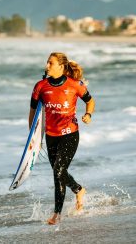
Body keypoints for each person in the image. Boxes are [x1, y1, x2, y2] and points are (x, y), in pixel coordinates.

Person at [29, 52, 95, 225]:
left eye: (51, 63)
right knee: (57, 175)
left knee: (59, 170)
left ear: (61, 66)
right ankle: (57, 214)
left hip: (70, 135)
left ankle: (78, 190)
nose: (47, 66)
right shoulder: (40, 86)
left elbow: (90, 100)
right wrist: (33, 137)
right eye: (47, 63)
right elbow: (33, 113)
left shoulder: (75, 85)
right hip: (51, 136)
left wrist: (88, 114)